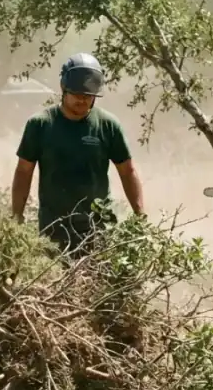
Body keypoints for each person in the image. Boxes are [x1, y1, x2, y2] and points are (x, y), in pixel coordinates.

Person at [11, 52, 145, 253]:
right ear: (63, 88)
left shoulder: (108, 125)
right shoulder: (40, 125)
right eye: (77, 95)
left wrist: (140, 216)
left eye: (88, 96)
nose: (83, 101)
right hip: (53, 230)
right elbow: (23, 172)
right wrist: (16, 217)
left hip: (98, 228)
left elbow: (128, 172)